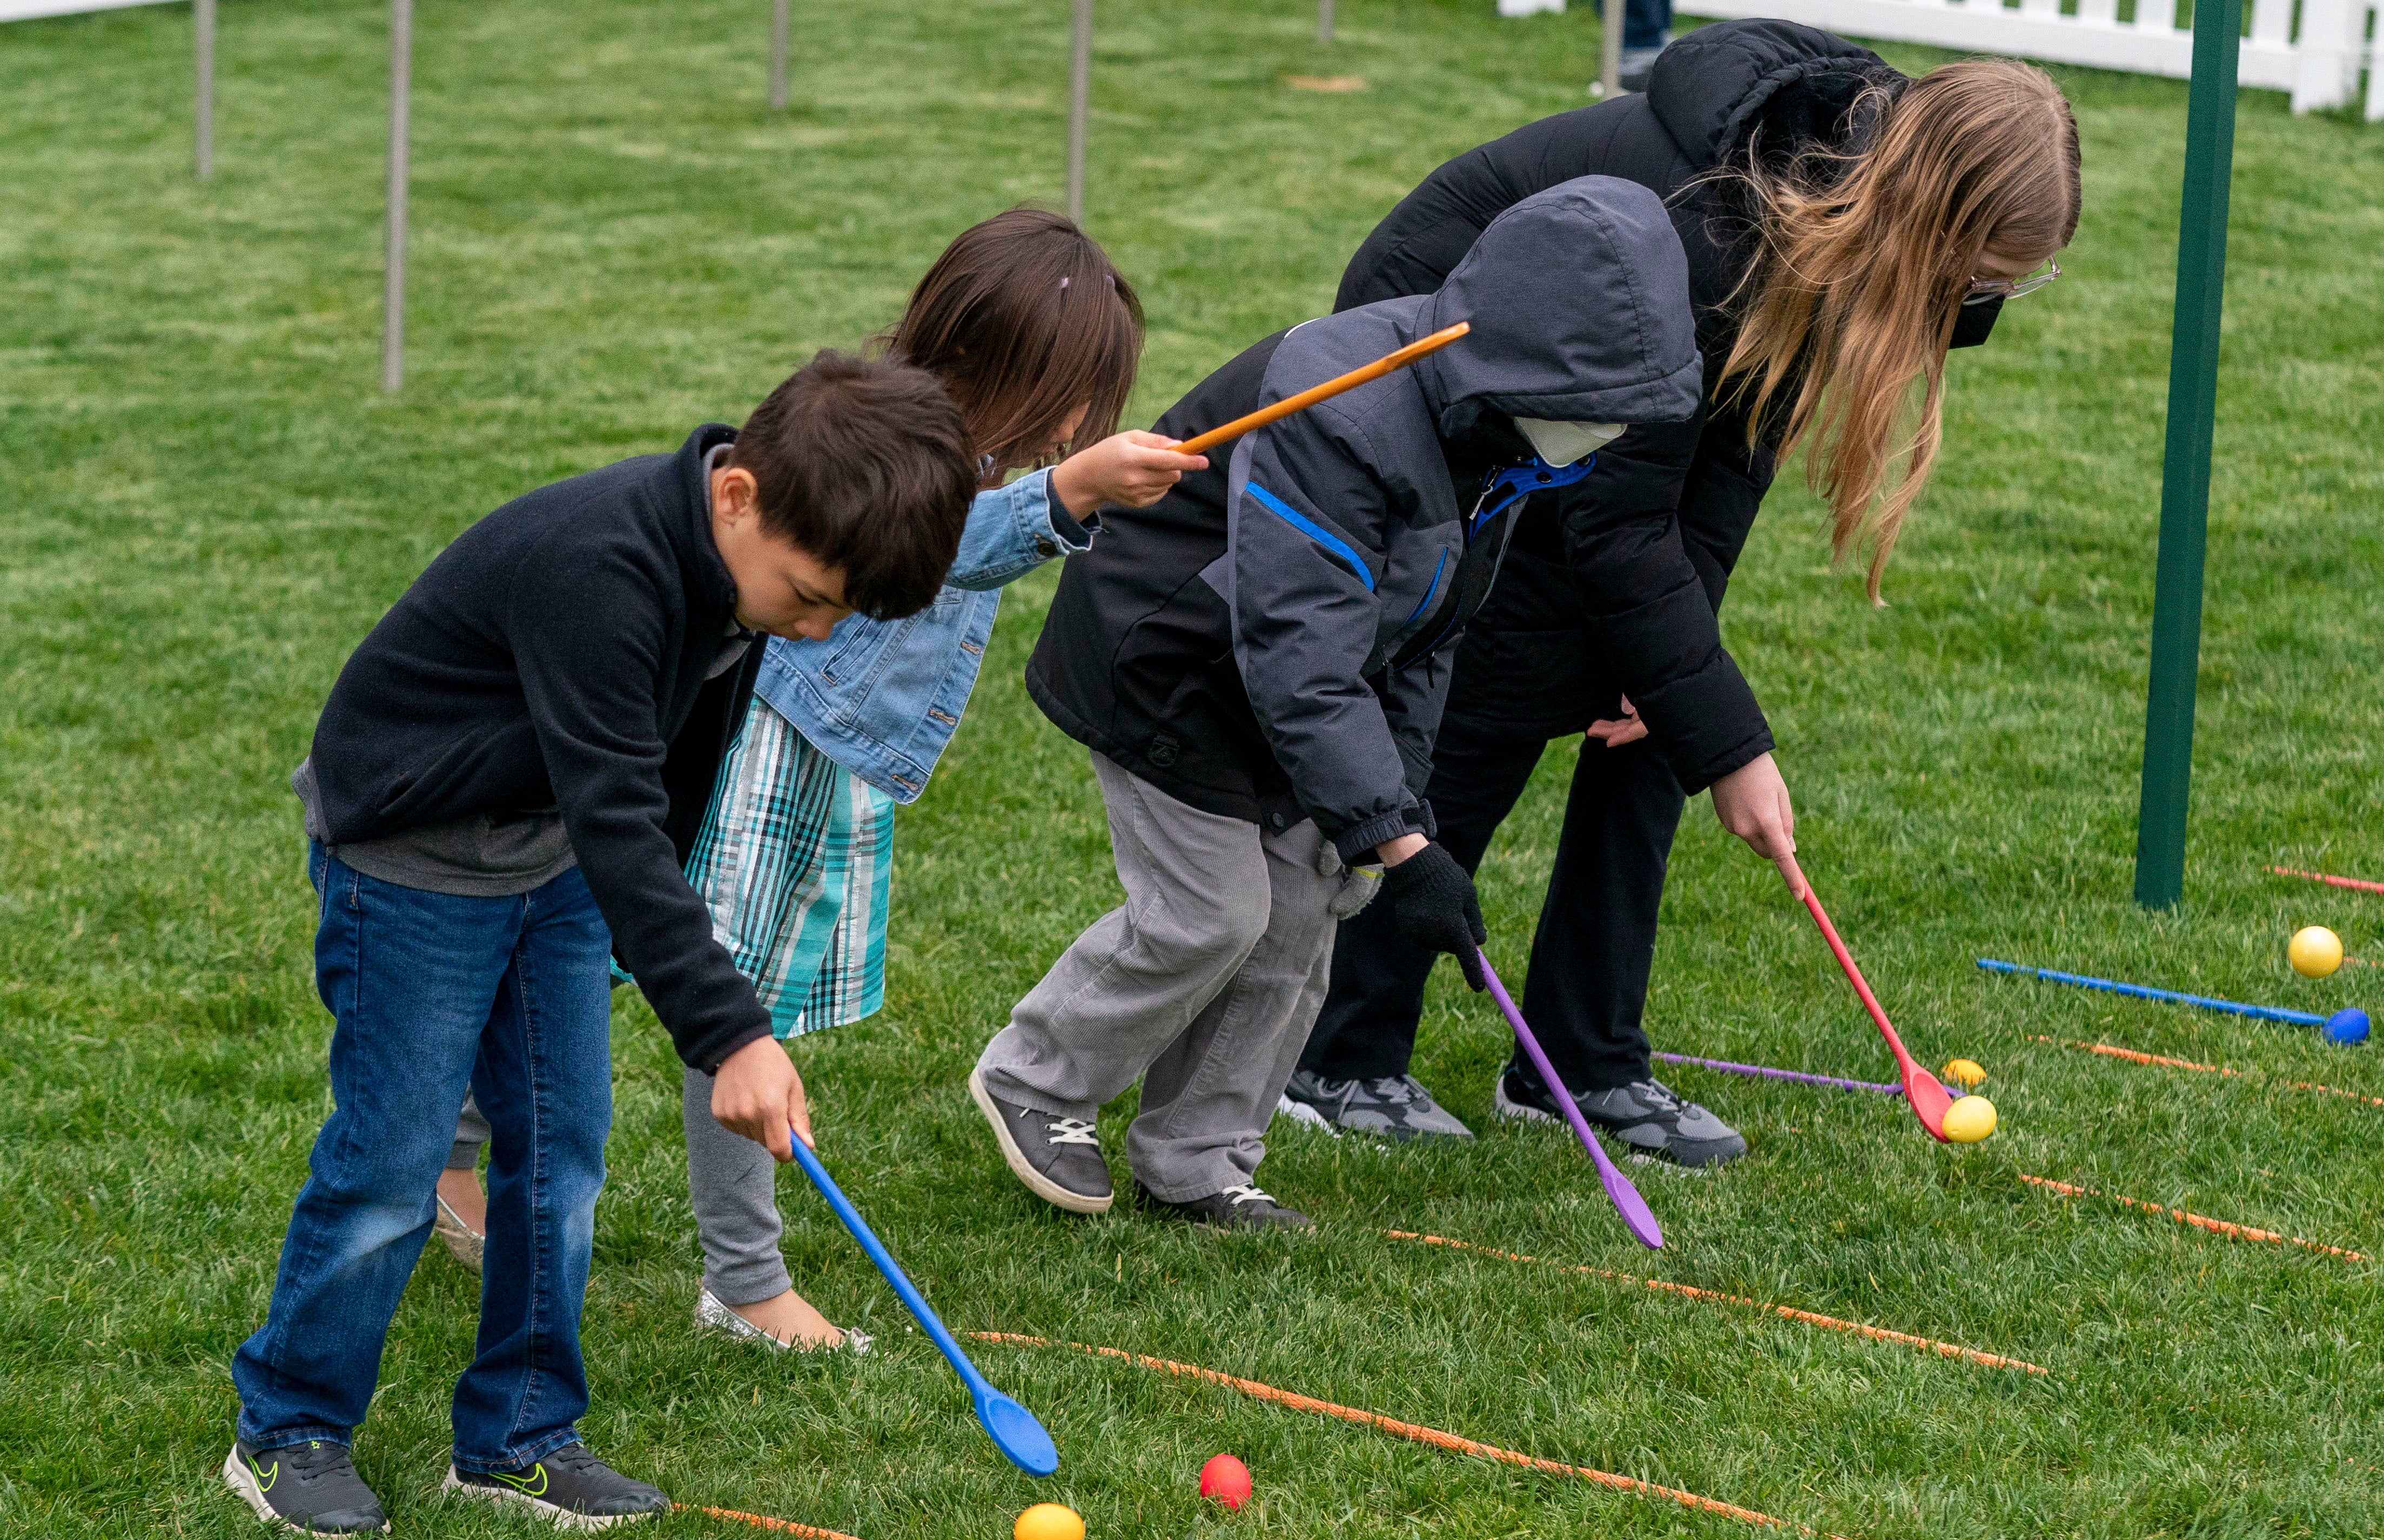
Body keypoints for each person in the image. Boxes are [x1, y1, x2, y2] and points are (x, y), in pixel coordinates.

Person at [1283, 21, 2081, 1161]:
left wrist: (1684, 693)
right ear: (1930, 219)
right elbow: (1614, 527)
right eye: (1985, 273)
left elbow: (1731, 456)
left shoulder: (1840, 208)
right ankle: (1340, 1052)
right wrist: (1734, 750)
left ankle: (1581, 1058)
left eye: (2012, 283)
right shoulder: (1718, 231)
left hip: (1588, 396)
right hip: (1446, 366)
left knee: (1661, 699)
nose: (1988, 297)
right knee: (1504, 672)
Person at [225, 352, 978, 1537]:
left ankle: (518, 1438)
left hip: (556, 855)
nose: (814, 626)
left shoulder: (741, 569)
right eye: (808, 597)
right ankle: (289, 1426)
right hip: (417, 856)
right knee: (392, 1159)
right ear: (738, 496)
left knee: (562, 1153)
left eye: (836, 612)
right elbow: (615, 806)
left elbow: (672, 768)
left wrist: (649, 925)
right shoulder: (602, 566)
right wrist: (728, 1028)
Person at [428, 213, 1198, 1357]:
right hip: (780, 739)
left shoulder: (954, 448)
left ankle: (449, 1154)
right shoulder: (904, 454)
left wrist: (1062, 484)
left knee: (622, 954)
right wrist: (1067, 494)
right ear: (994, 359)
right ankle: (741, 1280)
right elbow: (953, 543)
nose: (1074, 428)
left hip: (812, 744)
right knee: (728, 1001)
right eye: (1069, 399)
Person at [970, 174, 1703, 1230]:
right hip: (1168, 660)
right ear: (1531, 365)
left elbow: (1427, 632)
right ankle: (1036, 1077)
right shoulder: (1347, 414)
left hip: (1290, 679)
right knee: (1212, 911)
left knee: (1309, 904)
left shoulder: (1495, 442)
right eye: (1599, 405)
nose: (1609, 431)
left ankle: (1198, 1156)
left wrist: (1395, 811)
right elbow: (1296, 648)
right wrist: (1399, 845)